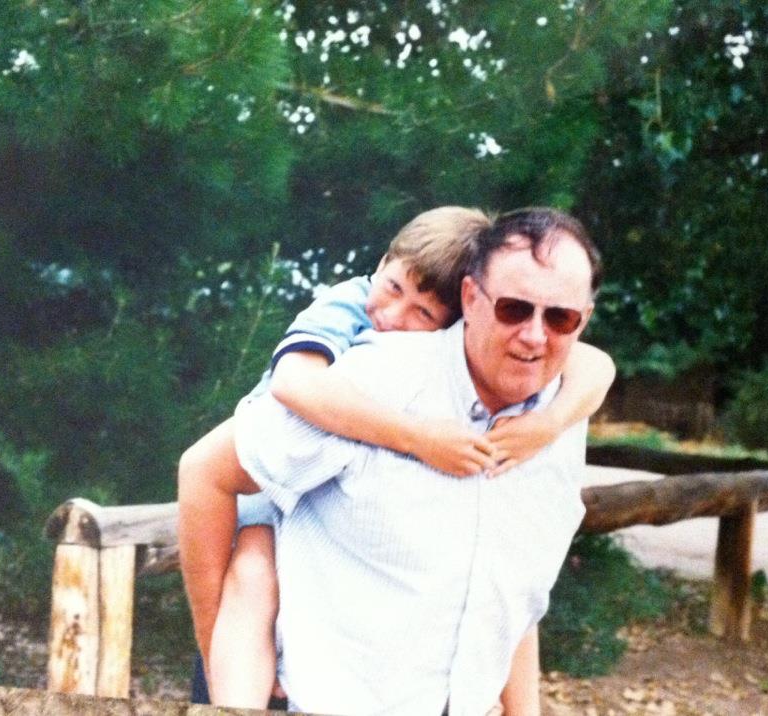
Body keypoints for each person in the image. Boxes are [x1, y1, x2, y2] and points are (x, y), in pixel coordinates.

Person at [178, 207, 614, 711]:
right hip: (306, 693)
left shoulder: (561, 411)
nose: (536, 336)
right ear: (471, 299)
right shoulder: (371, 378)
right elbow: (206, 470)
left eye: (560, 317)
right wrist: (215, 664)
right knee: (254, 566)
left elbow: (509, 593)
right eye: (514, 309)